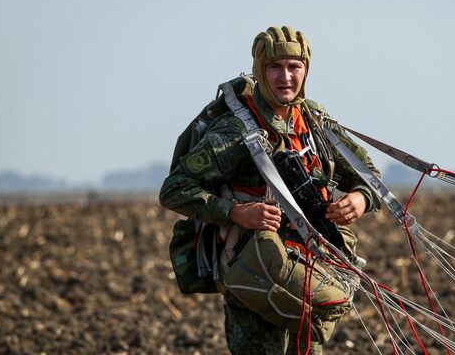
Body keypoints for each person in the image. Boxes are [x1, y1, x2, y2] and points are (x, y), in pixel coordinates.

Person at [160, 26, 381, 355]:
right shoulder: (236, 129)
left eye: (294, 67)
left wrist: (360, 199)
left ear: (306, 70)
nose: (286, 77)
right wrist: (234, 212)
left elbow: (369, 175)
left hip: (310, 271)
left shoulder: (314, 121)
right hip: (254, 273)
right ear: (260, 71)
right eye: (275, 67)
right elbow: (174, 189)